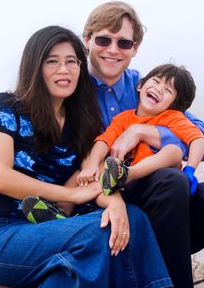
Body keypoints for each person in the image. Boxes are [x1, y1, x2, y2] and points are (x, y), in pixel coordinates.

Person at [0, 1, 204, 288]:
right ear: (88, 41)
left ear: (135, 47)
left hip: (76, 212)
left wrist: (143, 134)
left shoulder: (132, 91)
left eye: (124, 42)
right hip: (7, 228)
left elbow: (193, 129)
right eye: (52, 62)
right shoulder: (12, 105)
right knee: (101, 233)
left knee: (128, 221)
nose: (64, 70)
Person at [77, 63, 204, 199]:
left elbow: (197, 138)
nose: (159, 89)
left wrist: (190, 169)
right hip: (122, 184)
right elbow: (104, 140)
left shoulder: (172, 117)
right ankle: (61, 208)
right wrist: (92, 165)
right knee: (84, 166)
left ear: (174, 106)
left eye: (168, 91)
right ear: (140, 86)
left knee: (174, 150)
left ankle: (127, 174)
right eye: (156, 81)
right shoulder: (122, 118)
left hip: (150, 181)